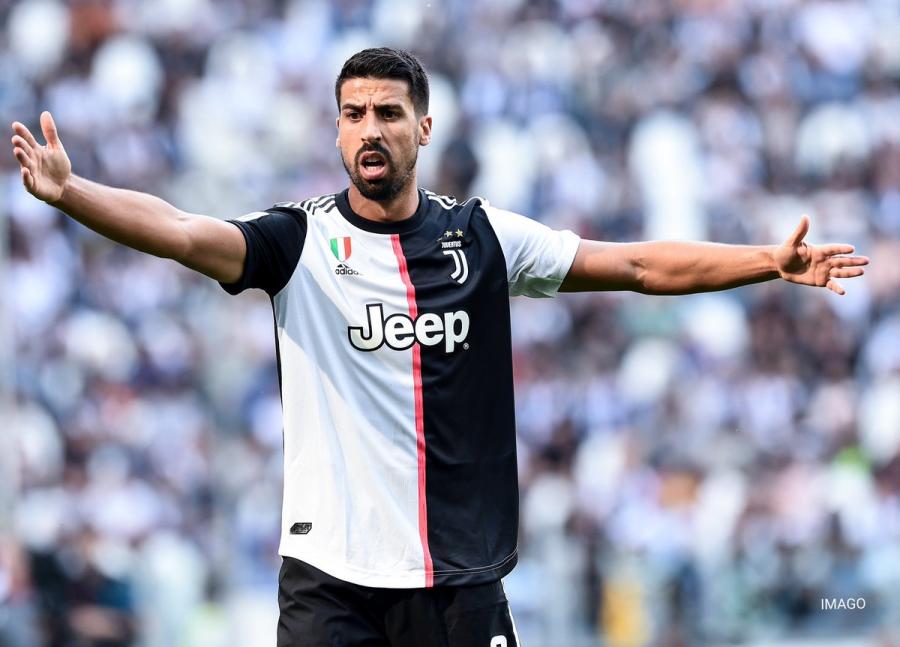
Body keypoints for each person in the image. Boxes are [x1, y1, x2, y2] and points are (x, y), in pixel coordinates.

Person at [10, 47, 868, 646]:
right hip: (330, 578)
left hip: (456, 576)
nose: (370, 129)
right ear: (335, 132)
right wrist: (73, 192)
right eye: (354, 115)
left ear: (425, 127)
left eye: (388, 113)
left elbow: (638, 265)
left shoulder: (482, 236)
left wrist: (768, 261)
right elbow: (179, 231)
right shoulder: (296, 243)